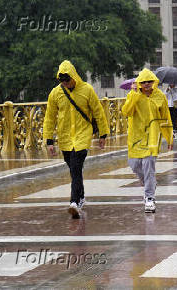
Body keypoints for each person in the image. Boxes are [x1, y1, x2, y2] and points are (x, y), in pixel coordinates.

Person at [43, 60, 110, 219]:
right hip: (65, 138)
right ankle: (81, 197)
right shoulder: (55, 93)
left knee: (75, 166)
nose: (65, 84)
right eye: (62, 81)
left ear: (74, 76)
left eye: (67, 80)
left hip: (82, 135)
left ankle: (73, 201)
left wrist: (103, 134)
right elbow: (50, 117)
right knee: (75, 169)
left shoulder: (87, 90)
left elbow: (98, 112)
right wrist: (49, 140)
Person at [122, 68, 173, 213]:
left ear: (154, 82)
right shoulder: (134, 95)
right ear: (139, 83)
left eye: (149, 81)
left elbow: (165, 118)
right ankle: (150, 184)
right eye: (143, 82)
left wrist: (169, 137)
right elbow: (126, 112)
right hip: (135, 137)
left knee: (149, 166)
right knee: (135, 165)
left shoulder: (160, 96)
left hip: (153, 137)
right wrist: (134, 95)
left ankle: (149, 198)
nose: (146, 84)